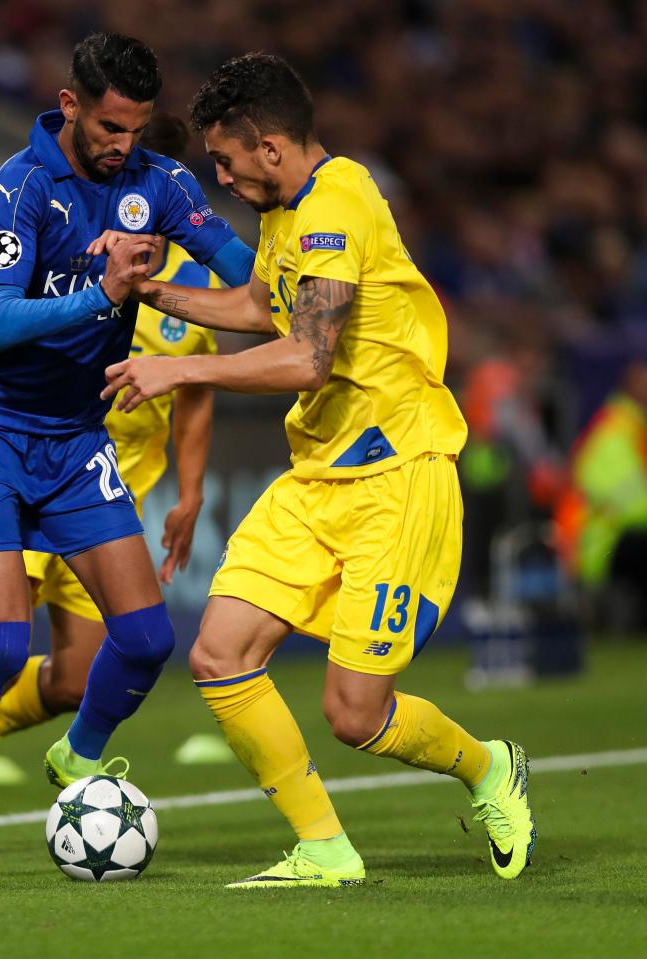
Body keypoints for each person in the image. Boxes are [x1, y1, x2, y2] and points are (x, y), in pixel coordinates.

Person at [102, 53, 537, 888]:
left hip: (398, 475)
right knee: (218, 650)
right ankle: (325, 849)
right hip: (318, 475)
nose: (218, 176)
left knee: (353, 713)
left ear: (269, 147)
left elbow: (306, 355)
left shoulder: (338, 202)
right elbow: (262, 309)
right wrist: (150, 292)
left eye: (225, 159)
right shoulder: (285, 210)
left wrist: (179, 369)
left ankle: (487, 767)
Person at [0, 34, 254, 888]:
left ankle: (75, 753)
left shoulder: (160, 186)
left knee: (147, 635)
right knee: (3, 642)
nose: (124, 143)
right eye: (112, 126)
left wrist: (260, 283)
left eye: (138, 128)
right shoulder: (18, 187)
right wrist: (106, 294)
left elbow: (245, 282)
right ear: (71, 104)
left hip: (73, 436)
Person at [555, 355, 647, 630]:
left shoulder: (632, 428)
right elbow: (631, 504)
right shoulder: (614, 432)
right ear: (631, 388)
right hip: (599, 545)